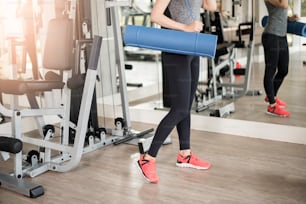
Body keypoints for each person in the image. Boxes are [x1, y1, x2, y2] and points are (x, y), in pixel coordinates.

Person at [137, 0, 217, 183]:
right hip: (176, 47)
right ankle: (148, 158)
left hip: (193, 46)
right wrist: (186, 27)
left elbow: (211, 6)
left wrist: (191, 29)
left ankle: (185, 154)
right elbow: (155, 16)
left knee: (186, 105)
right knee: (180, 109)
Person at [262, 0, 298, 117]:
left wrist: (289, 18)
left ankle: (271, 95)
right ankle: (272, 106)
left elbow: (278, 12)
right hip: (271, 35)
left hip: (281, 36)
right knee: (270, 70)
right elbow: (283, 4)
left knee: (284, 69)